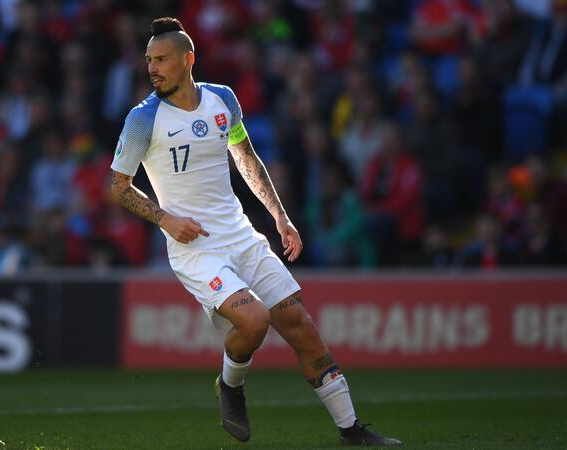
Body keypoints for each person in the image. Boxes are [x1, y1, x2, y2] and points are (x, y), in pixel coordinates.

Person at [109, 17, 401, 446]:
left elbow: (247, 160)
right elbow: (118, 186)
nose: (152, 68)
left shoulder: (223, 100)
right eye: (149, 60)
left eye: (162, 60)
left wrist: (280, 218)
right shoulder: (142, 118)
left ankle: (351, 431)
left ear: (188, 59)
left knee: (300, 325)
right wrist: (165, 219)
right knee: (254, 320)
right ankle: (230, 386)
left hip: (242, 236)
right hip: (195, 249)